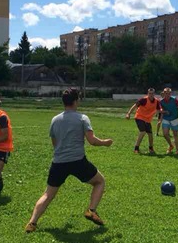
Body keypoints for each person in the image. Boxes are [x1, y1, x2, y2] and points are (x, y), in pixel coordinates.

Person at [25, 88, 113, 233]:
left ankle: (32, 223)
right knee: (100, 181)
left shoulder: (55, 119)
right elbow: (92, 141)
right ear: (76, 101)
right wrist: (105, 142)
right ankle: (91, 210)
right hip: (78, 161)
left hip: (58, 162)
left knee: (48, 194)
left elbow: (55, 142)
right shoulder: (82, 118)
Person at [125, 87, 161, 154]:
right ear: (148, 93)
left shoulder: (157, 101)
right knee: (143, 132)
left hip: (148, 119)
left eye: (152, 93)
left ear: (154, 94)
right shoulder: (143, 100)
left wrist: (159, 117)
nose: (151, 95)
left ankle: (151, 148)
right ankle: (136, 148)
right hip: (139, 117)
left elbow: (159, 110)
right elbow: (135, 106)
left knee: (150, 134)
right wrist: (128, 114)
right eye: (149, 93)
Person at [159, 87, 178, 154]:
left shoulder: (174, 100)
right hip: (166, 119)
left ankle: (177, 150)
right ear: (164, 93)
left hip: (174, 119)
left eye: (169, 93)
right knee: (165, 134)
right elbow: (160, 110)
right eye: (166, 93)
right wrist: (164, 112)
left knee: (175, 134)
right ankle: (171, 145)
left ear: (171, 93)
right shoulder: (161, 101)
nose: (167, 94)